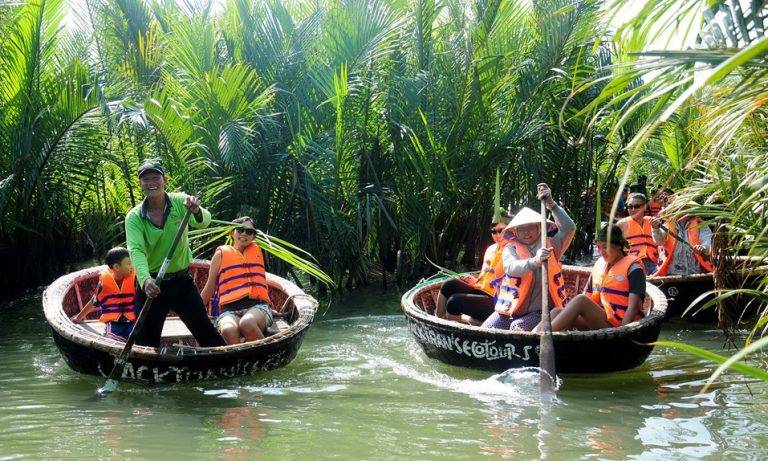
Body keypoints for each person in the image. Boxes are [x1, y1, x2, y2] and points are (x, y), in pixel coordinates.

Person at [125, 158, 226, 348]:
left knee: (207, 334)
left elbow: (204, 221)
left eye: (155, 177)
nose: (151, 183)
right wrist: (145, 280)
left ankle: (226, 366)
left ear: (165, 180)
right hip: (153, 285)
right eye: (146, 179)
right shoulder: (134, 217)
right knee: (145, 342)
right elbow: (136, 250)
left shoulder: (180, 201)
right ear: (140, 184)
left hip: (181, 282)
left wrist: (196, 209)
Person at [482, 184, 576, 331]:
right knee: (487, 329)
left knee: (518, 327)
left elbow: (569, 228)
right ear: (515, 232)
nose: (526, 233)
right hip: (511, 309)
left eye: (530, 227)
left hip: (540, 311)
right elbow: (510, 268)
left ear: (539, 227)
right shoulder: (511, 248)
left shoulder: (551, 245)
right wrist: (535, 261)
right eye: (521, 229)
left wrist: (552, 204)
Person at [536, 224, 646, 332]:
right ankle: (532, 335)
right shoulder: (600, 266)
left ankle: (544, 336)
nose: (602, 252)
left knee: (580, 300)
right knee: (556, 311)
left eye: (605, 247)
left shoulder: (634, 269)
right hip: (602, 318)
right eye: (599, 247)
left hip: (619, 326)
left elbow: (634, 306)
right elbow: (587, 295)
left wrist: (623, 331)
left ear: (618, 245)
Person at [200, 217, 277, 344]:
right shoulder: (220, 255)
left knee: (247, 323)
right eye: (240, 230)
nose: (244, 234)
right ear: (231, 232)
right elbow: (210, 286)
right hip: (229, 311)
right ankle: (238, 363)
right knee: (229, 329)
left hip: (258, 307)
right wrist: (196, 311)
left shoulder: (258, 251)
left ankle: (266, 357)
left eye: (249, 231)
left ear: (253, 236)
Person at [435, 209, 512, 324]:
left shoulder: (513, 250)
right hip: (482, 291)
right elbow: (484, 276)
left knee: (454, 301)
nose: (497, 235)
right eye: (493, 231)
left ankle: (455, 331)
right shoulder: (491, 249)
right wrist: (475, 281)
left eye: (501, 230)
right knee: (449, 284)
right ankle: (437, 320)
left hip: (499, 299)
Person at [72, 247, 137, 341]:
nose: (131, 267)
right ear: (116, 267)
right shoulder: (103, 282)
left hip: (133, 321)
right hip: (114, 323)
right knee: (111, 338)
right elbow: (94, 301)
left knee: (138, 337)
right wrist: (79, 318)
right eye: (128, 264)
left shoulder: (135, 278)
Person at [617, 193, 659, 274]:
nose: (633, 209)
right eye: (630, 207)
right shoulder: (621, 224)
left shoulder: (652, 221)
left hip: (654, 262)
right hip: (632, 263)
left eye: (636, 206)